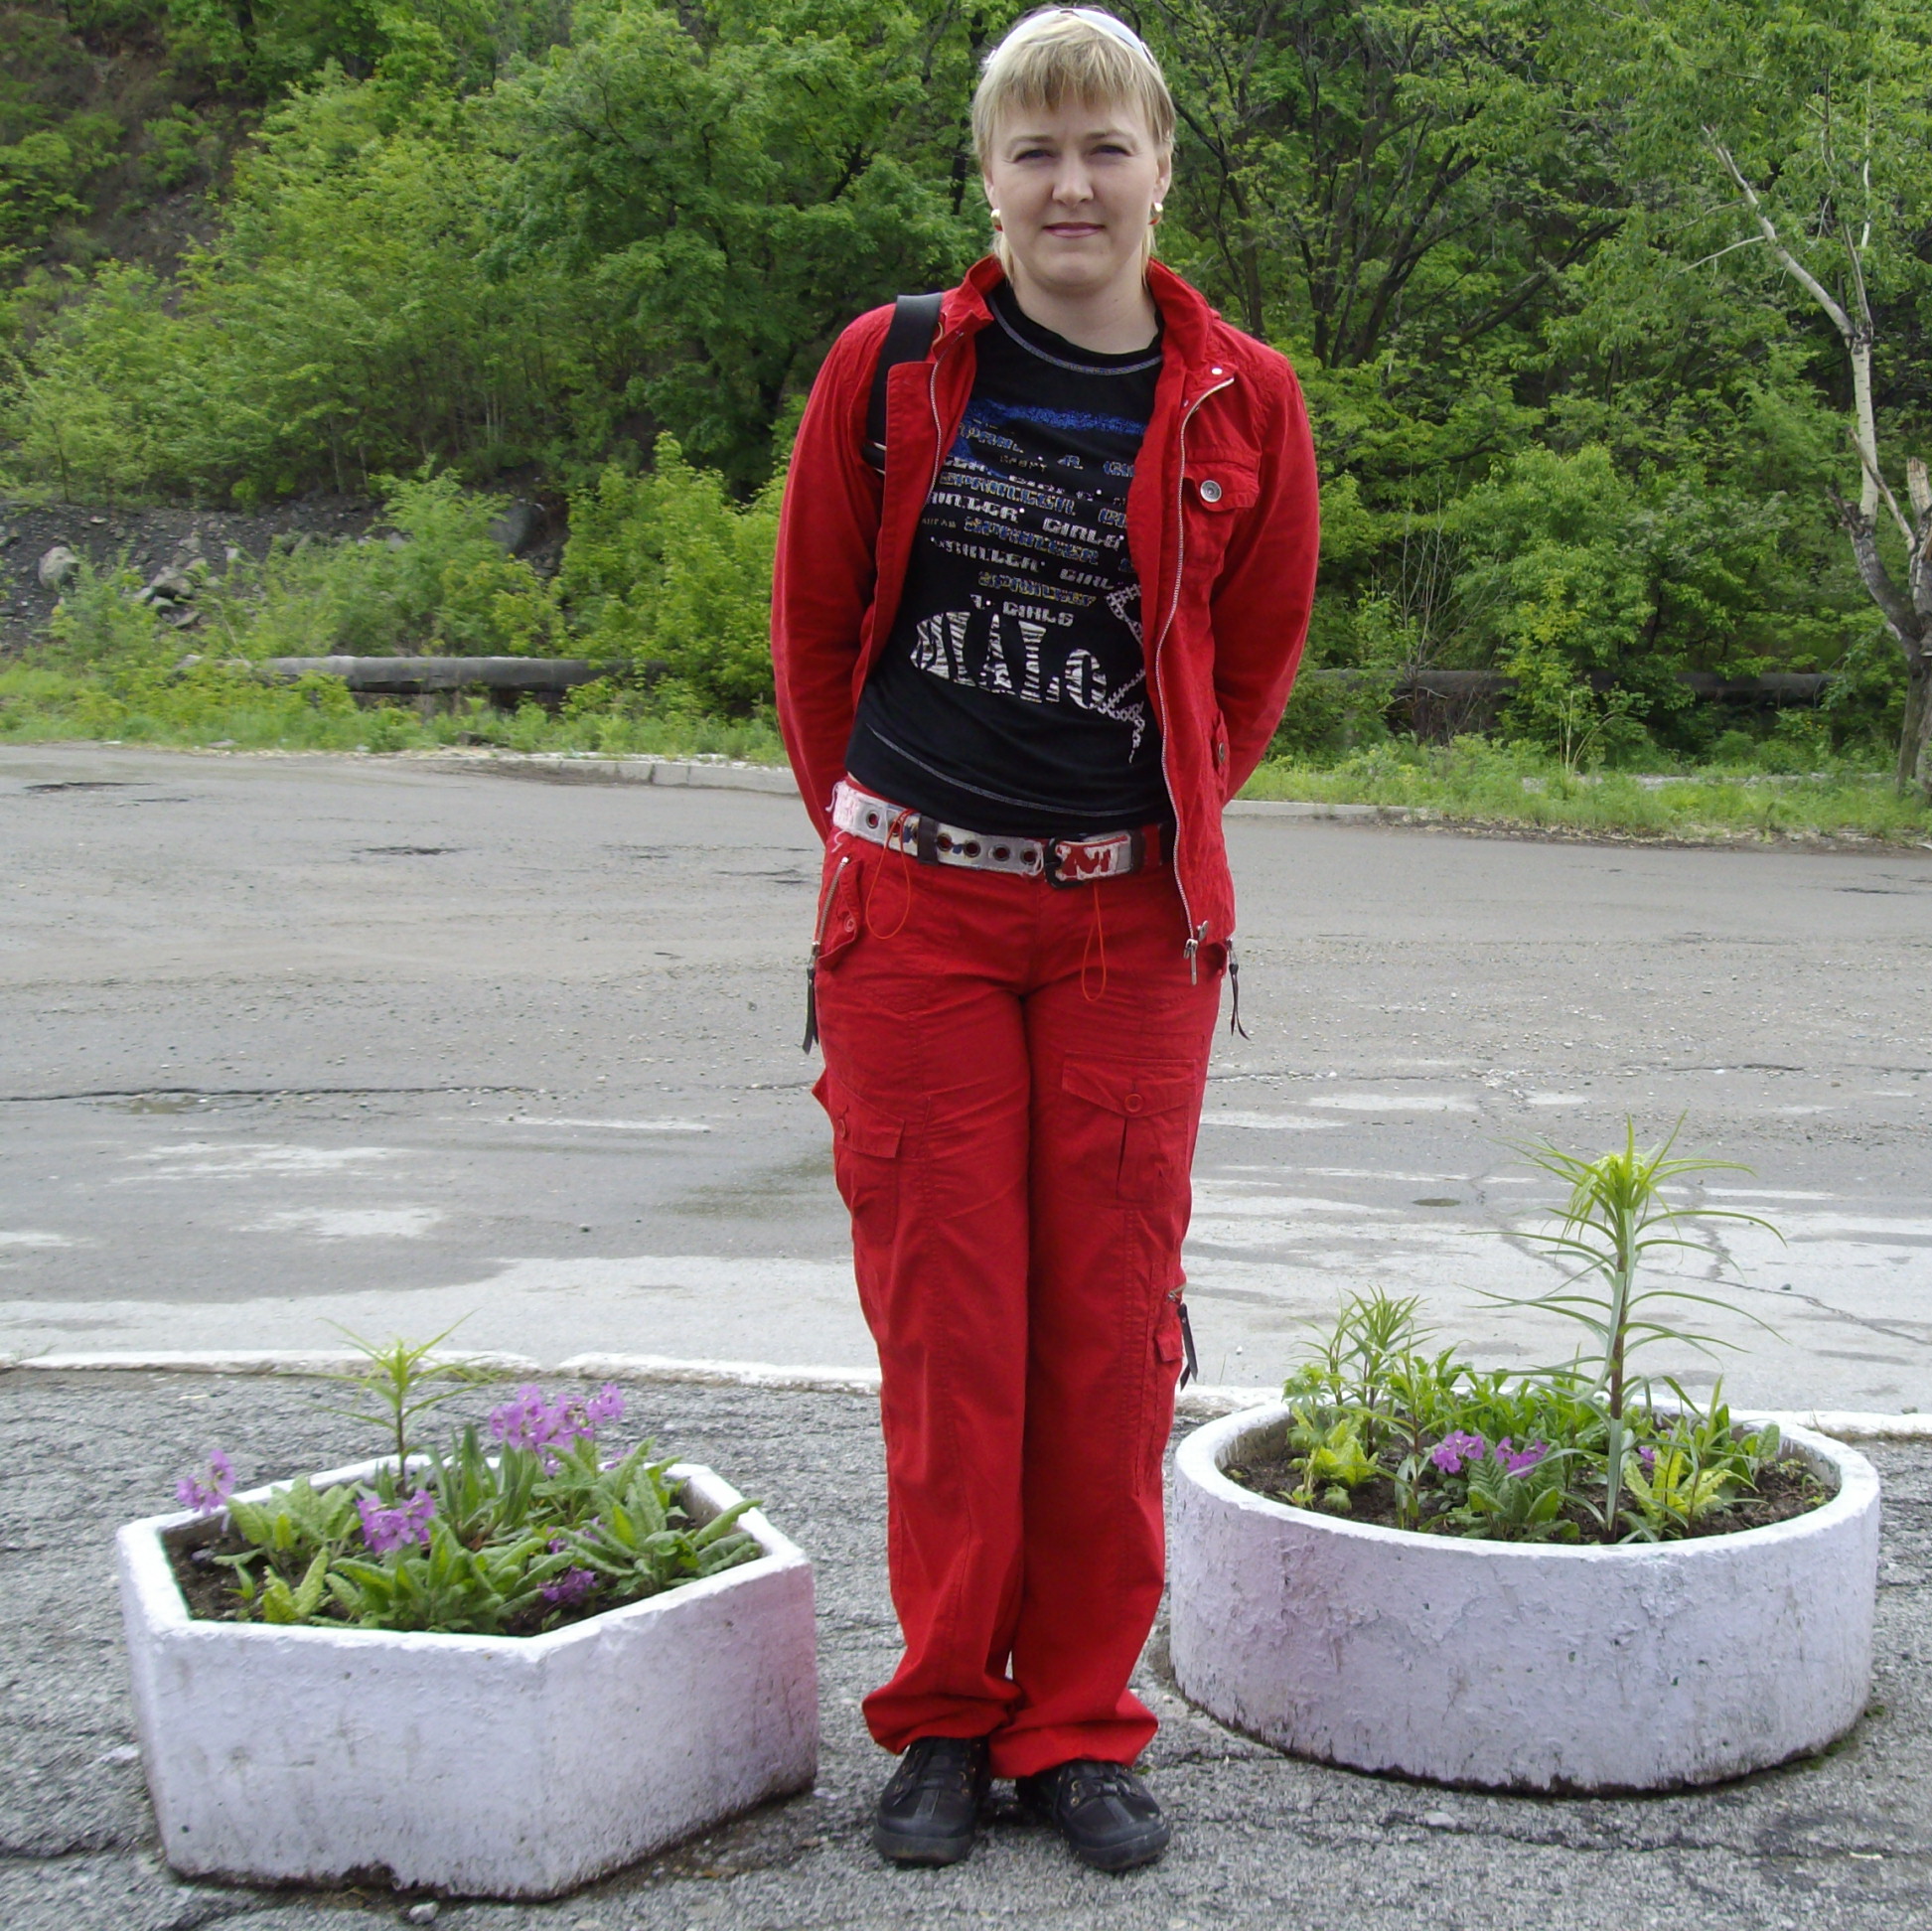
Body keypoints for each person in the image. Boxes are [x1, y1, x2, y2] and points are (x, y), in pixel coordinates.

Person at [768, 5, 1318, 1876]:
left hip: (1129, 930)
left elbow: (1250, 667)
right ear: (990, 179)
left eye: (1103, 146)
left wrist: (1132, 836)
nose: (1071, 183)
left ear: (1160, 166)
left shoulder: (1246, 399)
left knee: (1106, 1334)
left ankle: (1076, 1724)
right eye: (1035, 150)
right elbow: (817, 638)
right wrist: (885, 844)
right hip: (915, 912)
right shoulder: (891, 366)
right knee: (950, 1335)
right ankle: (942, 1714)